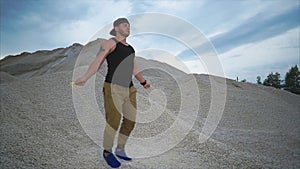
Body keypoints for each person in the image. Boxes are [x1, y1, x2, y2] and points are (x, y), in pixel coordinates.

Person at [74, 18, 150, 168]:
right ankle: (107, 152)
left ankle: (120, 149)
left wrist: (143, 82)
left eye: (129, 25)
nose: (128, 27)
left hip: (130, 89)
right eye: (124, 25)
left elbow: (134, 69)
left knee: (130, 121)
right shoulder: (110, 43)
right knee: (113, 122)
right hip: (112, 87)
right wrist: (85, 77)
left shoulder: (131, 49)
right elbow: (98, 61)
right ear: (116, 28)